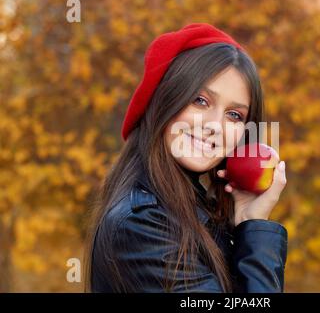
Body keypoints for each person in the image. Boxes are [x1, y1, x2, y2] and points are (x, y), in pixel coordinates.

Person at [84, 23, 288, 293]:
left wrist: (250, 222)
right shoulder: (142, 225)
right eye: (200, 101)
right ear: (166, 99)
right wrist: (257, 238)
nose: (215, 125)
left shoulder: (198, 214)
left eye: (234, 115)